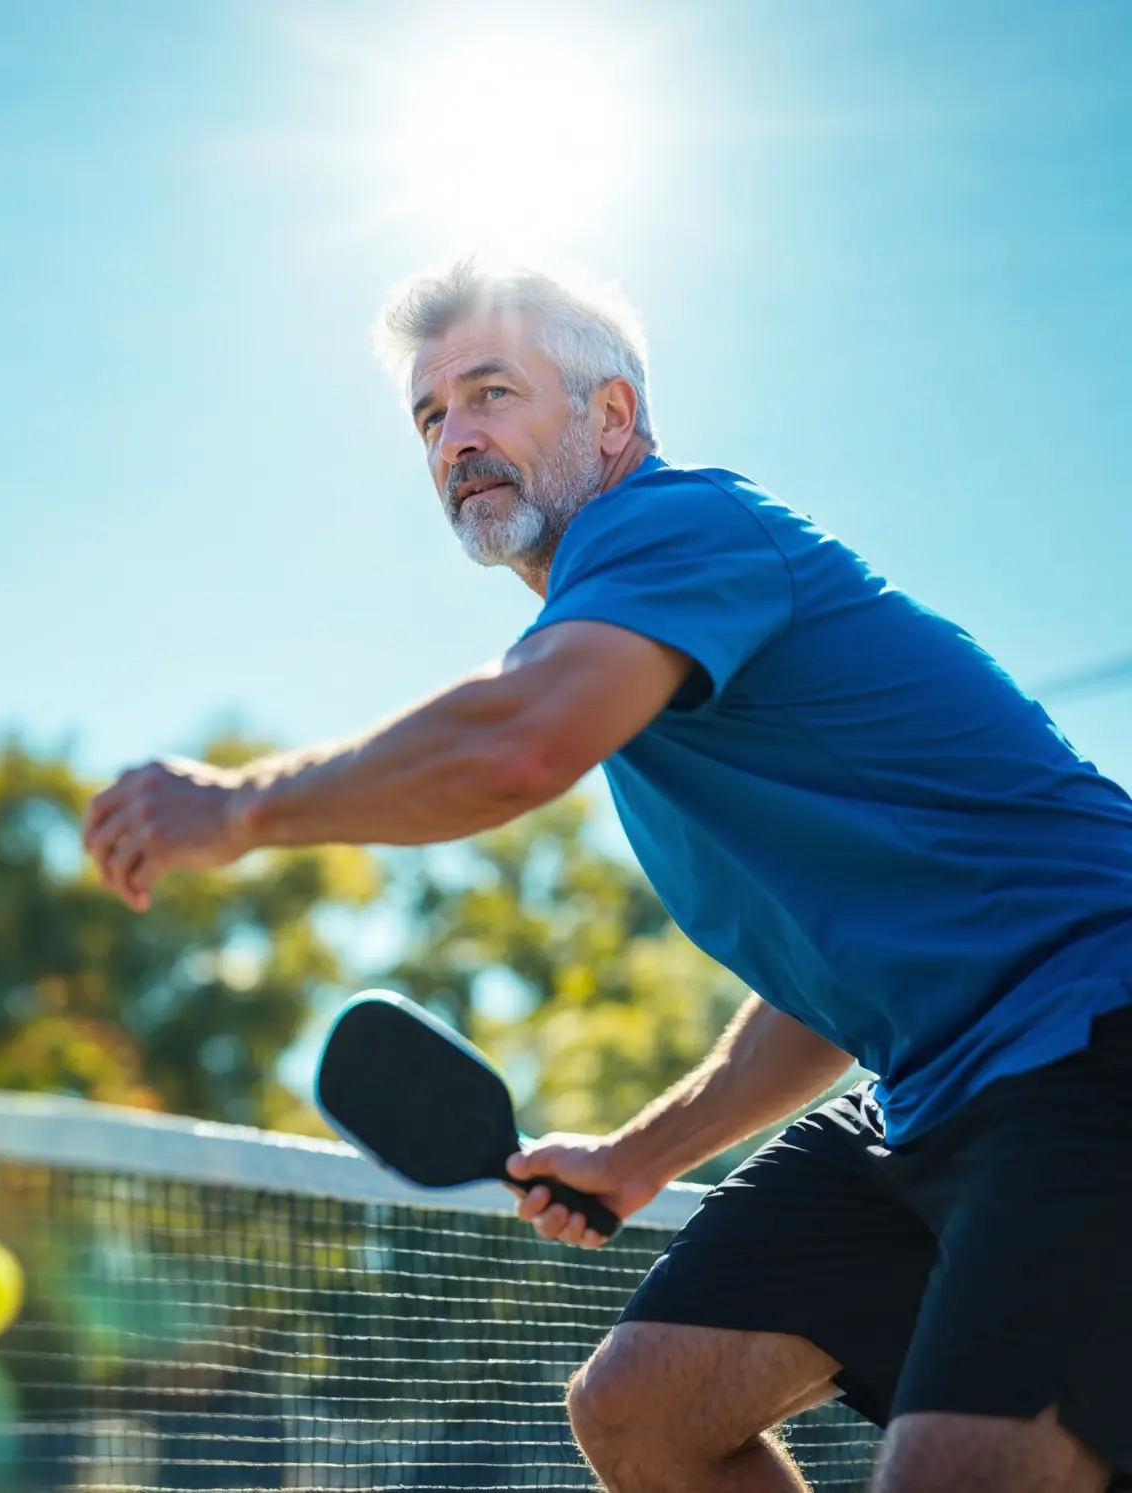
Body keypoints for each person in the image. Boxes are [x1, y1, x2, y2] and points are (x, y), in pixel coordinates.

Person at [81, 261, 1132, 1493]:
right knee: (643, 1410)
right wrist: (641, 1153)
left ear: (612, 418)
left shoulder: (674, 525)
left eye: (492, 392)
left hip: (1094, 1034)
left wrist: (239, 808)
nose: (458, 437)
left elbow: (511, 744)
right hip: (936, 1086)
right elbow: (822, 984)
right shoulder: (649, 665)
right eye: (432, 417)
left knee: (961, 1470)